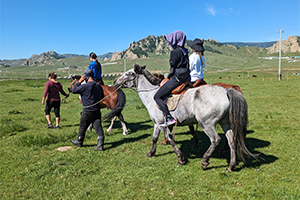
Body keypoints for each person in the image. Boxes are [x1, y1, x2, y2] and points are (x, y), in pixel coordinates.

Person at [153, 30, 190, 126]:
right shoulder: (185, 51)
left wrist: (169, 75)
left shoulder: (175, 52)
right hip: (186, 77)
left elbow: (173, 67)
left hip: (177, 78)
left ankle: (169, 117)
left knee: (157, 97)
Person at [71, 69, 105, 151]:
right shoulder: (98, 86)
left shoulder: (85, 86)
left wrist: (79, 82)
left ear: (85, 77)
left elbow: (74, 90)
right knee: (98, 127)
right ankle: (100, 145)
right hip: (96, 110)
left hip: (87, 111)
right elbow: (101, 97)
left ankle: (79, 141)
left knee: (82, 127)